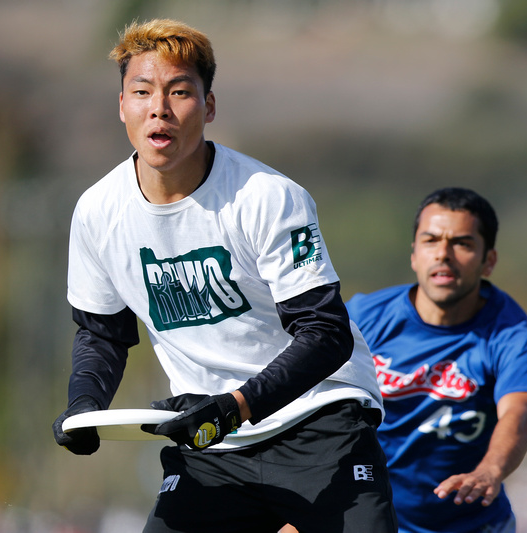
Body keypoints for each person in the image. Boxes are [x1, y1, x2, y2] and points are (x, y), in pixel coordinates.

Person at [51, 19, 397, 533]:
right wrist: (85, 407)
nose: (159, 109)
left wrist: (234, 407)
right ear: (121, 105)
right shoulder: (97, 211)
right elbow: (102, 332)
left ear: (209, 107)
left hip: (319, 423)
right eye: (142, 92)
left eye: (180, 92)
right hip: (211, 444)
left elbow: (326, 335)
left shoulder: (268, 197)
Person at [345, 187, 527, 533]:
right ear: (414, 254)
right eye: (430, 241)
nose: (443, 254)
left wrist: (490, 469)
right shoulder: (363, 319)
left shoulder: (512, 338)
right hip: (374, 520)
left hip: (472, 524)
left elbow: (522, 413)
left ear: (489, 260)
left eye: (462, 243)